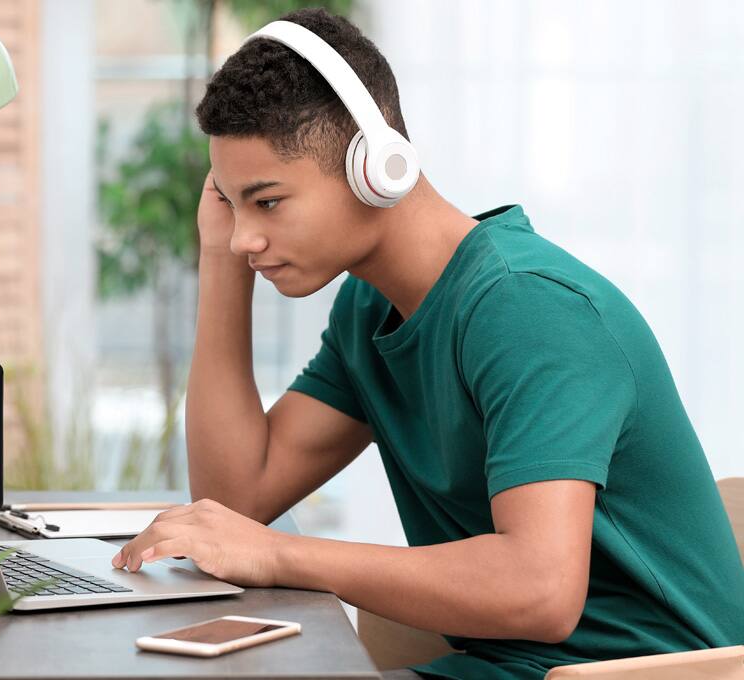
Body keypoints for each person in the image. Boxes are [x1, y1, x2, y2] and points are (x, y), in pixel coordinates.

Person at [111, 8, 744, 679]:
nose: (246, 236)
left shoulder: (528, 309)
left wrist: (280, 555)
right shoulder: (369, 309)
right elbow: (235, 502)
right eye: (231, 203)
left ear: (375, 168)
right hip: (502, 665)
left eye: (266, 202)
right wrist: (220, 260)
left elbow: (540, 590)